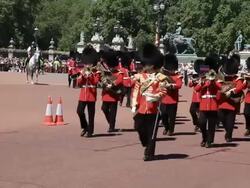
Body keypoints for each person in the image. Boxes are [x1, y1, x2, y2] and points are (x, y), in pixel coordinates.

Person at [131, 43, 166, 161]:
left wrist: (155, 97)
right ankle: (145, 142)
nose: (146, 66)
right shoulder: (140, 77)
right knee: (138, 127)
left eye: (148, 64)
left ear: (153, 65)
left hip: (153, 109)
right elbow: (136, 90)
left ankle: (149, 153)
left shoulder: (159, 77)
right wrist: (134, 104)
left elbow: (163, 91)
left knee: (152, 134)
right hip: (141, 108)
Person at [217, 55, 245, 142]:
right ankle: (228, 131)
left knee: (230, 122)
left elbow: (241, 86)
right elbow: (218, 85)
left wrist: (232, 91)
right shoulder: (221, 78)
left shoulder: (237, 79)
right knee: (221, 118)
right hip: (222, 103)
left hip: (232, 104)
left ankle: (229, 135)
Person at [195, 59, 221, 148]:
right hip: (203, 105)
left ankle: (209, 141)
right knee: (201, 122)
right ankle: (204, 137)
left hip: (213, 105)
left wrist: (213, 81)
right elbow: (197, 89)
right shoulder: (202, 80)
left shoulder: (216, 80)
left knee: (211, 125)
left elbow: (220, 87)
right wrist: (204, 83)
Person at [76, 45, 100, 137]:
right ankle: (85, 126)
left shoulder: (96, 72)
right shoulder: (82, 70)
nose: (87, 65)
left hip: (91, 94)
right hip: (83, 94)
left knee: (91, 114)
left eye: (89, 63)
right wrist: (82, 75)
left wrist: (90, 75)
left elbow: (96, 82)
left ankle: (90, 131)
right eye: (86, 63)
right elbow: (79, 83)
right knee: (79, 111)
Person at [100, 49, 124, 132]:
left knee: (113, 111)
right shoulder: (105, 72)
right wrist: (103, 82)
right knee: (104, 108)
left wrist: (113, 84)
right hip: (106, 93)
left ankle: (111, 126)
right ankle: (111, 122)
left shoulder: (118, 72)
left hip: (114, 93)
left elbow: (120, 80)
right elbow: (101, 79)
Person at [160, 54, 183, 136]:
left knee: (172, 117)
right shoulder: (163, 76)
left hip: (173, 100)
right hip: (164, 99)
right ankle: (166, 127)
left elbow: (179, 85)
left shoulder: (178, 76)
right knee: (163, 115)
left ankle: (171, 130)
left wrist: (170, 85)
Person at [189, 59, 204, 132]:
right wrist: (193, 80)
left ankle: (200, 125)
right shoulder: (195, 76)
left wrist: (201, 82)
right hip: (195, 98)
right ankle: (196, 123)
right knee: (192, 111)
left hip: (202, 97)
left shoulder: (205, 77)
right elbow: (190, 85)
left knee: (201, 113)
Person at [243, 57, 250, 136]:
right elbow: (244, 87)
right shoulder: (247, 75)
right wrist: (245, 80)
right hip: (249, 97)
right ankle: (248, 128)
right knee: (246, 113)